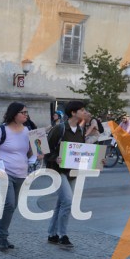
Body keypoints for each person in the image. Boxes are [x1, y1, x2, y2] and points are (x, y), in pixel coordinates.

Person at [0, 102, 32, 251]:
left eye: (26, 112)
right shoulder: (1, 130)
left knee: (12, 206)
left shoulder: (28, 131)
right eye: (23, 112)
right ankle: (2, 237)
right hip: (4, 172)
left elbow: (29, 153)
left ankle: (2, 234)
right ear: (14, 114)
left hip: (21, 173)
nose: (26, 115)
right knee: (10, 203)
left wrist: (38, 151)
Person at [45, 100, 87, 248]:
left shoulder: (81, 131)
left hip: (72, 172)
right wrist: (54, 158)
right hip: (57, 171)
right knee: (68, 201)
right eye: (82, 110)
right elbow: (44, 149)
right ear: (73, 113)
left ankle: (52, 234)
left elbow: (80, 152)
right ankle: (63, 235)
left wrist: (97, 160)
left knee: (61, 202)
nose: (85, 113)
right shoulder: (60, 129)